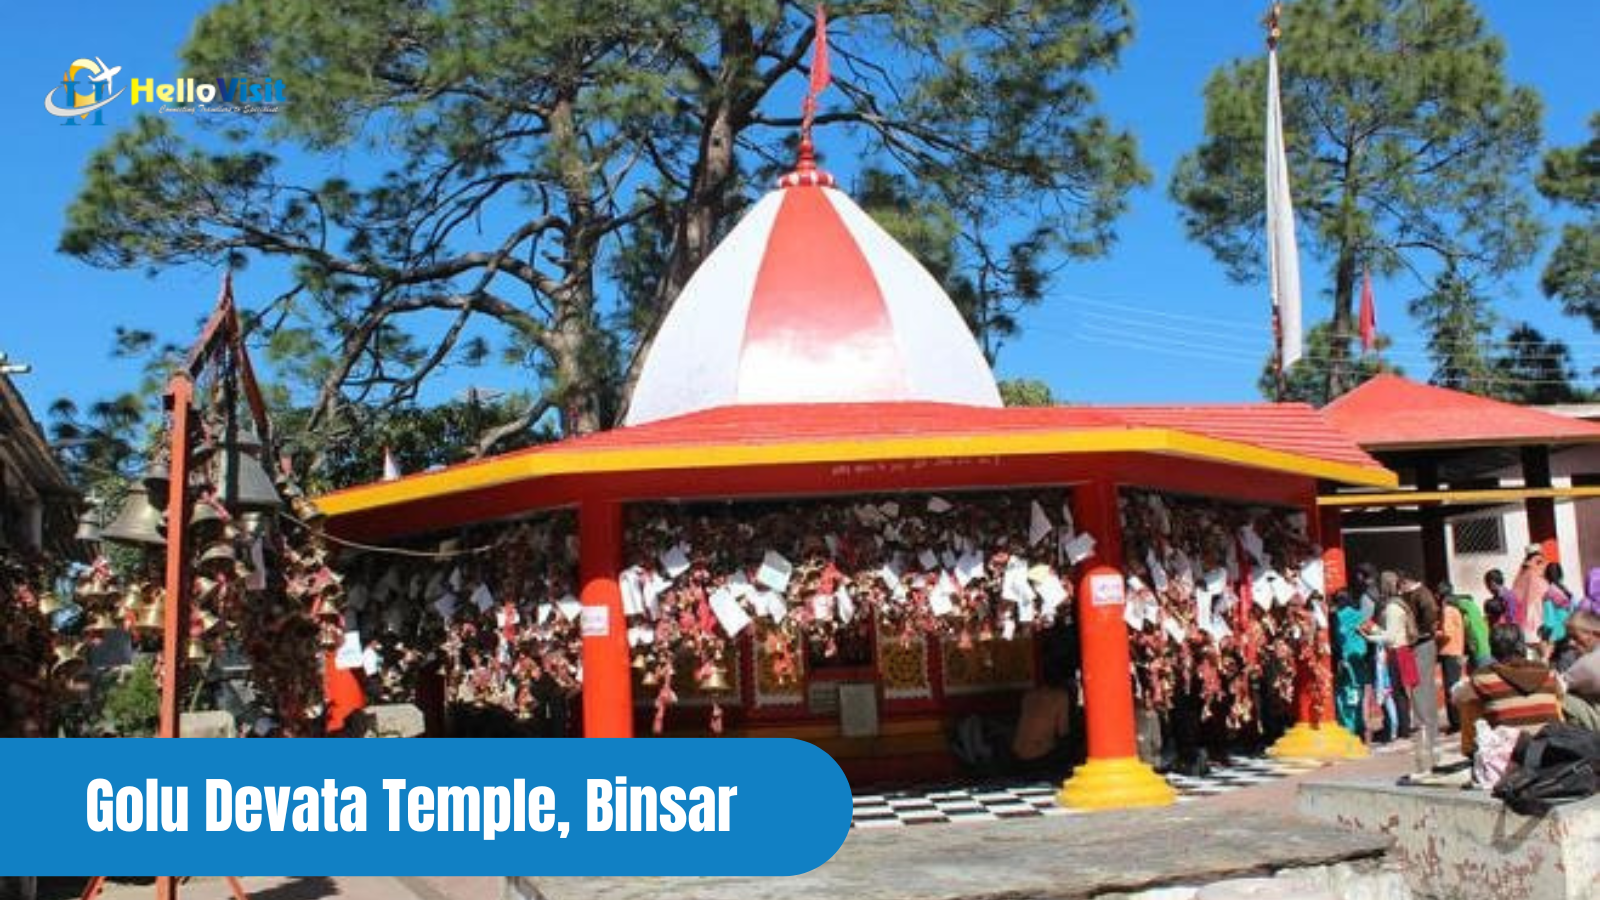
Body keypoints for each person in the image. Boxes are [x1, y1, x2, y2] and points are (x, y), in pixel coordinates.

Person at [1452, 623, 1565, 738]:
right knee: (1555, 697)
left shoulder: (1483, 678)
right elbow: (1562, 693)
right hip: (1550, 744)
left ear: (1492, 649)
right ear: (1522, 646)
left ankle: (1472, 749)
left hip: (1510, 747)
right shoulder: (1548, 672)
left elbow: (1457, 699)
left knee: (1470, 705)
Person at [1361, 571, 1414, 740]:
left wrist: (1369, 636)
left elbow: (1390, 636)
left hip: (1396, 651)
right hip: (1402, 649)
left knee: (1396, 692)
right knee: (1400, 692)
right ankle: (1402, 728)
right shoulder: (1400, 603)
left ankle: (1401, 730)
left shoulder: (1392, 607)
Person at [1009, 650, 1076, 778]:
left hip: (1016, 756)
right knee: (1069, 742)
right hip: (1037, 759)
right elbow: (1063, 732)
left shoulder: (1029, 694)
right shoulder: (1061, 696)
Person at [1399, 574, 1441, 755]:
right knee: (1421, 687)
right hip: (1420, 643)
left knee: (1421, 688)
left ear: (1407, 582)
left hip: (1422, 644)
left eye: (1402, 585)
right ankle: (1428, 730)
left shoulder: (1422, 595)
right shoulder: (1417, 594)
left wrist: (1421, 631)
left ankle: (1427, 730)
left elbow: (1431, 612)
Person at [1331, 589, 1373, 737]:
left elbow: (1336, 642)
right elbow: (1372, 633)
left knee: (1346, 696)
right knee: (1359, 693)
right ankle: (1360, 726)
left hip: (1345, 662)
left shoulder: (1337, 618)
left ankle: (1349, 729)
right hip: (1360, 661)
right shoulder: (1360, 615)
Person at [1557, 610, 1600, 732]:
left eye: (1575, 637)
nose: (1571, 643)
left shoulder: (1588, 663)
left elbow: (1554, 686)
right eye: (1569, 638)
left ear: (1595, 635)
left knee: (1559, 697)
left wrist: (1544, 657)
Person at [1436, 582, 1467, 733]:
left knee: (1451, 688)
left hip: (1449, 651)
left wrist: (1434, 633)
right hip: (1457, 650)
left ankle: (1456, 722)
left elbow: (1446, 633)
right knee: (1454, 687)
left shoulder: (1447, 609)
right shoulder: (1456, 608)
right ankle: (1458, 721)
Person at [1510, 545, 1549, 654]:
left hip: (1522, 616)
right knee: (1542, 647)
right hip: (1536, 612)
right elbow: (1544, 589)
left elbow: (1516, 592)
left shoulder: (1523, 568)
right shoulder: (1539, 563)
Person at [1542, 561, 1575, 645]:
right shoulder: (1568, 593)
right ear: (1561, 574)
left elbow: (1549, 621)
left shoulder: (1549, 595)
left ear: (1546, 576)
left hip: (1558, 637)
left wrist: (1544, 639)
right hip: (1572, 633)